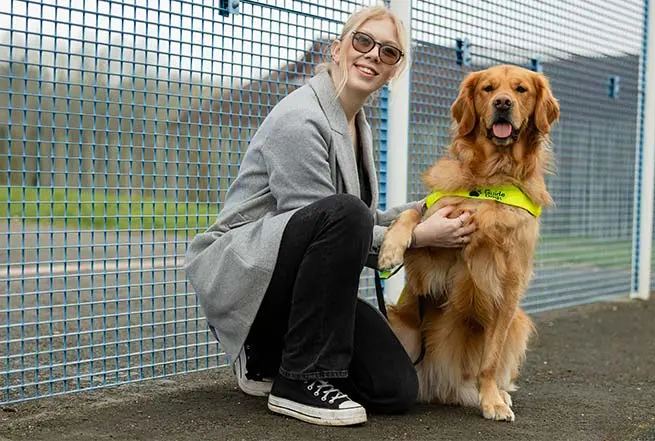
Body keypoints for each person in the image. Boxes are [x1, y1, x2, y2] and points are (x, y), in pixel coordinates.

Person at [183, 4, 475, 427]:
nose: (374, 54)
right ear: (338, 50)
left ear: (394, 70)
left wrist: (423, 211)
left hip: (296, 270)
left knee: (394, 389)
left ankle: (274, 356)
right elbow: (325, 222)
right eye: (363, 41)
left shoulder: (357, 123)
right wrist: (416, 237)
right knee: (346, 214)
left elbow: (357, 220)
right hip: (246, 271)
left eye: (389, 52)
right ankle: (297, 379)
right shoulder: (301, 117)